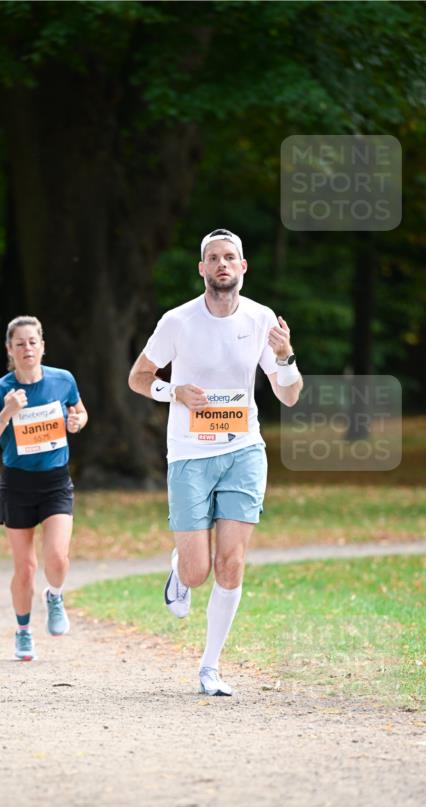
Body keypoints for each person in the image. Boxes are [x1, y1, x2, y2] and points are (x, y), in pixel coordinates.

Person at [128, 229, 303, 696]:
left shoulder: (262, 319)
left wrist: (286, 358)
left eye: (230, 257)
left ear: (243, 267)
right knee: (197, 571)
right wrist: (172, 391)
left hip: (243, 450)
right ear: (202, 269)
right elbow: (138, 376)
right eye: (213, 258)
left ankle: (210, 667)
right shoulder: (177, 322)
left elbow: (288, 394)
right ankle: (180, 570)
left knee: (231, 563)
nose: (222, 264)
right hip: (189, 453)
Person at [0, 315, 88, 661]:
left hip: (55, 483)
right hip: (17, 485)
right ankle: (23, 631)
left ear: (42, 346)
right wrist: (6, 413)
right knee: (25, 569)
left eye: (32, 342)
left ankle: (54, 595)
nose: (27, 348)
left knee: (57, 557)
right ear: (10, 349)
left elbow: (79, 412)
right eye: (19, 343)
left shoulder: (62, 380)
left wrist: (77, 421)